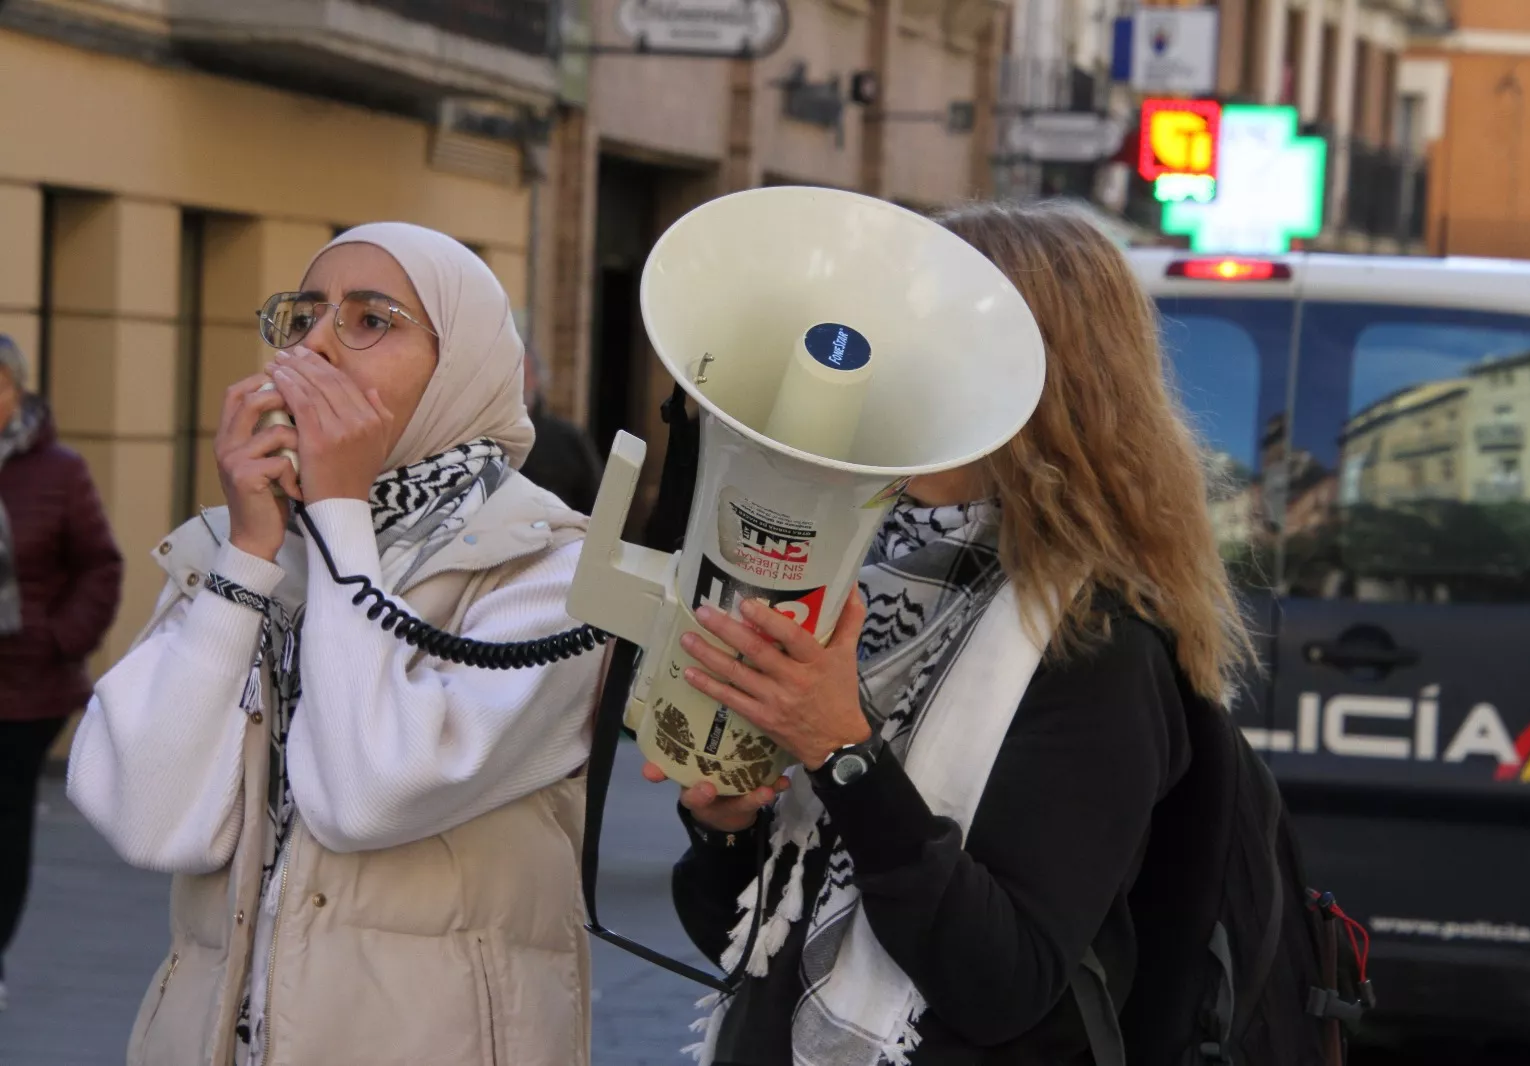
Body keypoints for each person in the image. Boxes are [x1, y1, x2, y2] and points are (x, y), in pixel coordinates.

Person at [653, 200, 1253, 1065]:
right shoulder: (872, 577)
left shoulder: (1100, 648)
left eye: (924, 343)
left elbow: (1000, 984)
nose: (888, 368)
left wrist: (842, 751)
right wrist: (725, 825)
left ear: (1040, 386)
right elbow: (750, 948)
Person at [66, 224, 605, 1066]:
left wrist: (340, 512)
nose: (315, 346)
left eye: (371, 320)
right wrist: (246, 554)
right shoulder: (243, 541)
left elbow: (370, 796)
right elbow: (150, 821)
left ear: (457, 368)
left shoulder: (552, 569)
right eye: (305, 315)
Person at [0, 335, 122, 1012]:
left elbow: (99, 564)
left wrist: (63, 637)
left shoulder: (58, 470)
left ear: (17, 391)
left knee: (6, 820)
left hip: (26, 686)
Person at [518, 344, 604, 514]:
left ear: (535, 379)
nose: (516, 385)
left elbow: (598, 505)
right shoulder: (483, 439)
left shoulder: (568, 440)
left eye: (522, 375)